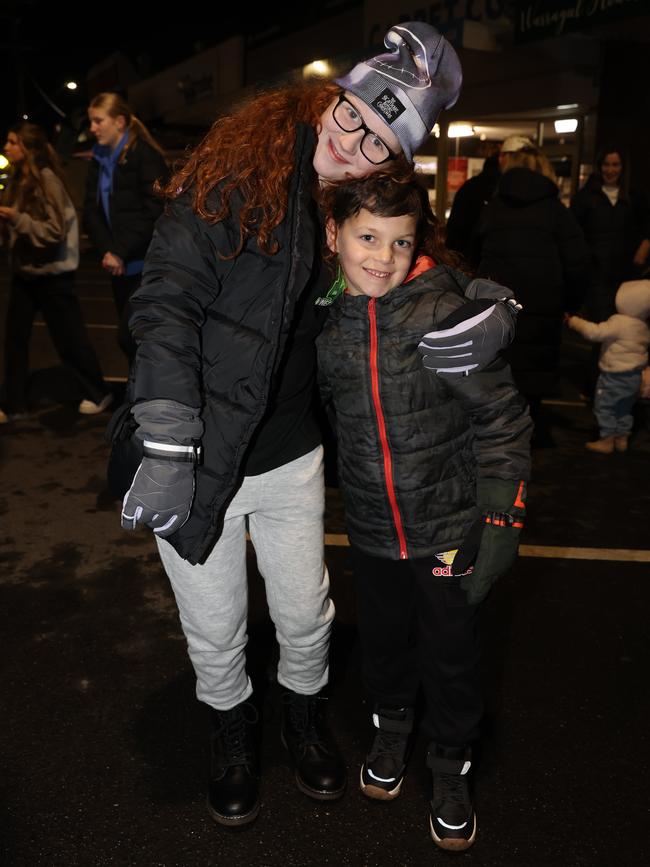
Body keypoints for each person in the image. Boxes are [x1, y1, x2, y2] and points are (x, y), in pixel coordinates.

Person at [113, 22, 470, 829]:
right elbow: (164, 300)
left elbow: (411, 264)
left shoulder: (352, 202)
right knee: (215, 623)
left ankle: (305, 722)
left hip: (289, 458)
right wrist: (166, 437)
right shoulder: (231, 174)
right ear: (335, 94)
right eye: (355, 116)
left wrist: (487, 303)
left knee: (306, 613)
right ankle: (232, 731)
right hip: (196, 455)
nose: (355, 145)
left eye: (382, 142)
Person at [316, 170, 532, 852]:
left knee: (452, 655)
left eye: (401, 242)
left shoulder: (443, 313)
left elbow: (503, 419)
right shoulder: (324, 320)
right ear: (334, 236)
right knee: (383, 641)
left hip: (446, 528)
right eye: (367, 237)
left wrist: (501, 516)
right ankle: (391, 727)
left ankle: (449, 763)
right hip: (373, 529)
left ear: (421, 245)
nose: (383, 257)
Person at [468, 138, 591, 446]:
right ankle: (526, 442)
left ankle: (496, 442)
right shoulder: (556, 212)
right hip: (542, 310)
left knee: (498, 377)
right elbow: (578, 263)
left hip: (497, 308)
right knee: (532, 382)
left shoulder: (493, 209)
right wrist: (571, 304)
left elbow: (472, 257)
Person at [0, 121, 112, 424]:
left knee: (70, 340)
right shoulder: (16, 179)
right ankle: (14, 404)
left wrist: (16, 218)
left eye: (12, 142)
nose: (6, 147)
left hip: (52, 276)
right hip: (26, 273)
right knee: (14, 339)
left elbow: (53, 231)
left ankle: (98, 391)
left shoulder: (48, 180)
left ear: (29, 148)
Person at [82, 92, 169, 363]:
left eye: (98, 121)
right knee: (135, 343)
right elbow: (91, 211)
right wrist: (109, 251)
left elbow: (155, 210)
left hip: (146, 265)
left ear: (119, 122)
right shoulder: (99, 160)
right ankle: (138, 399)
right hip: (118, 265)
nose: (92, 128)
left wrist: (120, 250)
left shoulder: (145, 156)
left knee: (131, 337)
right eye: (91, 122)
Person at [566, 280, 650, 453]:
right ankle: (621, 438)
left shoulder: (619, 322)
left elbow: (595, 332)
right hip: (634, 376)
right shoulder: (643, 327)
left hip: (614, 375)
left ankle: (606, 439)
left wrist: (574, 322)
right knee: (624, 408)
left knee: (605, 406)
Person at [571, 146, 650, 323]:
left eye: (615, 165)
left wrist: (644, 247)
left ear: (623, 167)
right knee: (601, 324)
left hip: (628, 273)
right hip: (596, 274)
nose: (610, 170)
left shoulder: (635, 195)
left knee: (626, 324)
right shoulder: (585, 197)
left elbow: (647, 224)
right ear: (599, 166)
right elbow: (574, 231)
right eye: (606, 164)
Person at [445, 151, 499, 260]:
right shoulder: (495, 190)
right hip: (476, 251)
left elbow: (455, 224)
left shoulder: (469, 186)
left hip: (461, 249)